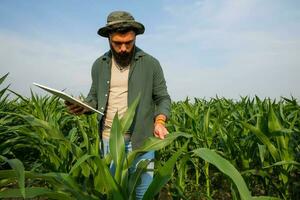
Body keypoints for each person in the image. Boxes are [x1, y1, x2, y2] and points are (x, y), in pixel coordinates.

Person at [65, 10, 171, 199]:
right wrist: (83, 106)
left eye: (128, 43)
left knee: (143, 194)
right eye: (117, 43)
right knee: (115, 194)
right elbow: (94, 98)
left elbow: (162, 97)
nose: (123, 48)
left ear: (135, 38)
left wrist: (160, 121)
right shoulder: (99, 65)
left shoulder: (151, 64)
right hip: (110, 140)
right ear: (108, 39)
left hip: (142, 140)